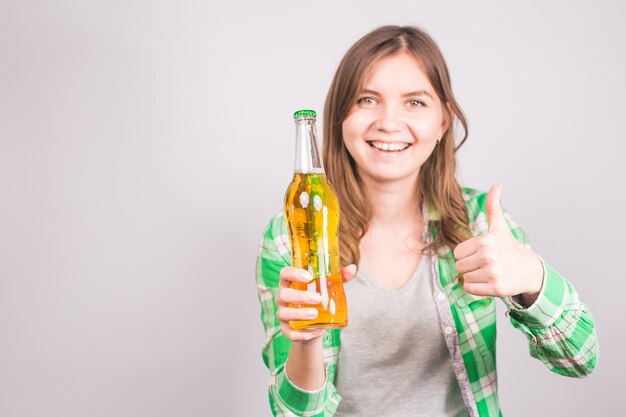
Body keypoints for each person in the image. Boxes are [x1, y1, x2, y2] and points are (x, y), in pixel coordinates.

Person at [255, 25, 598, 417]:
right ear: (339, 117)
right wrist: (306, 341)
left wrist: (534, 280)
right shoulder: (289, 238)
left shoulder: (482, 225)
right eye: (367, 99)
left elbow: (580, 361)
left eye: (414, 103)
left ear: (443, 123)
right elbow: (294, 414)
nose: (388, 122)